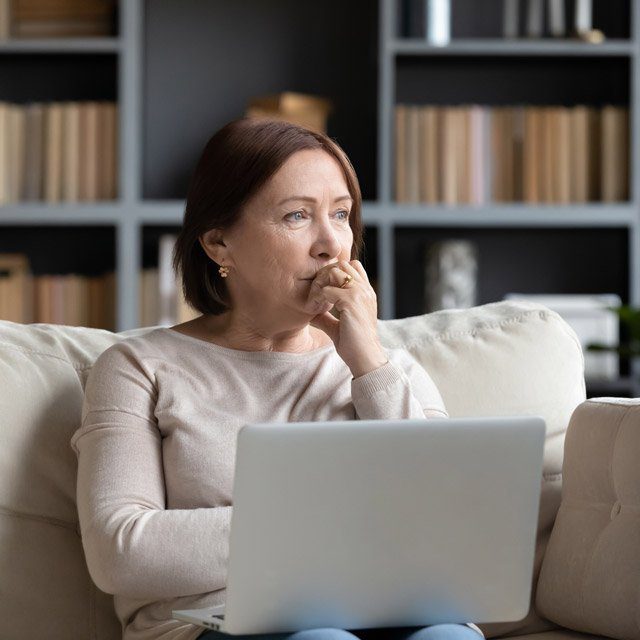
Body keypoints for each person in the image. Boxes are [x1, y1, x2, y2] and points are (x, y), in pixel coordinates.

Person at [71, 118, 483, 640]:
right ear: (219, 243)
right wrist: (338, 526)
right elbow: (120, 552)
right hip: (223, 624)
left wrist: (369, 367)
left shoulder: (384, 367)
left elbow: (446, 530)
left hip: (385, 611)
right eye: (297, 216)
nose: (332, 244)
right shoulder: (137, 367)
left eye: (341, 214)